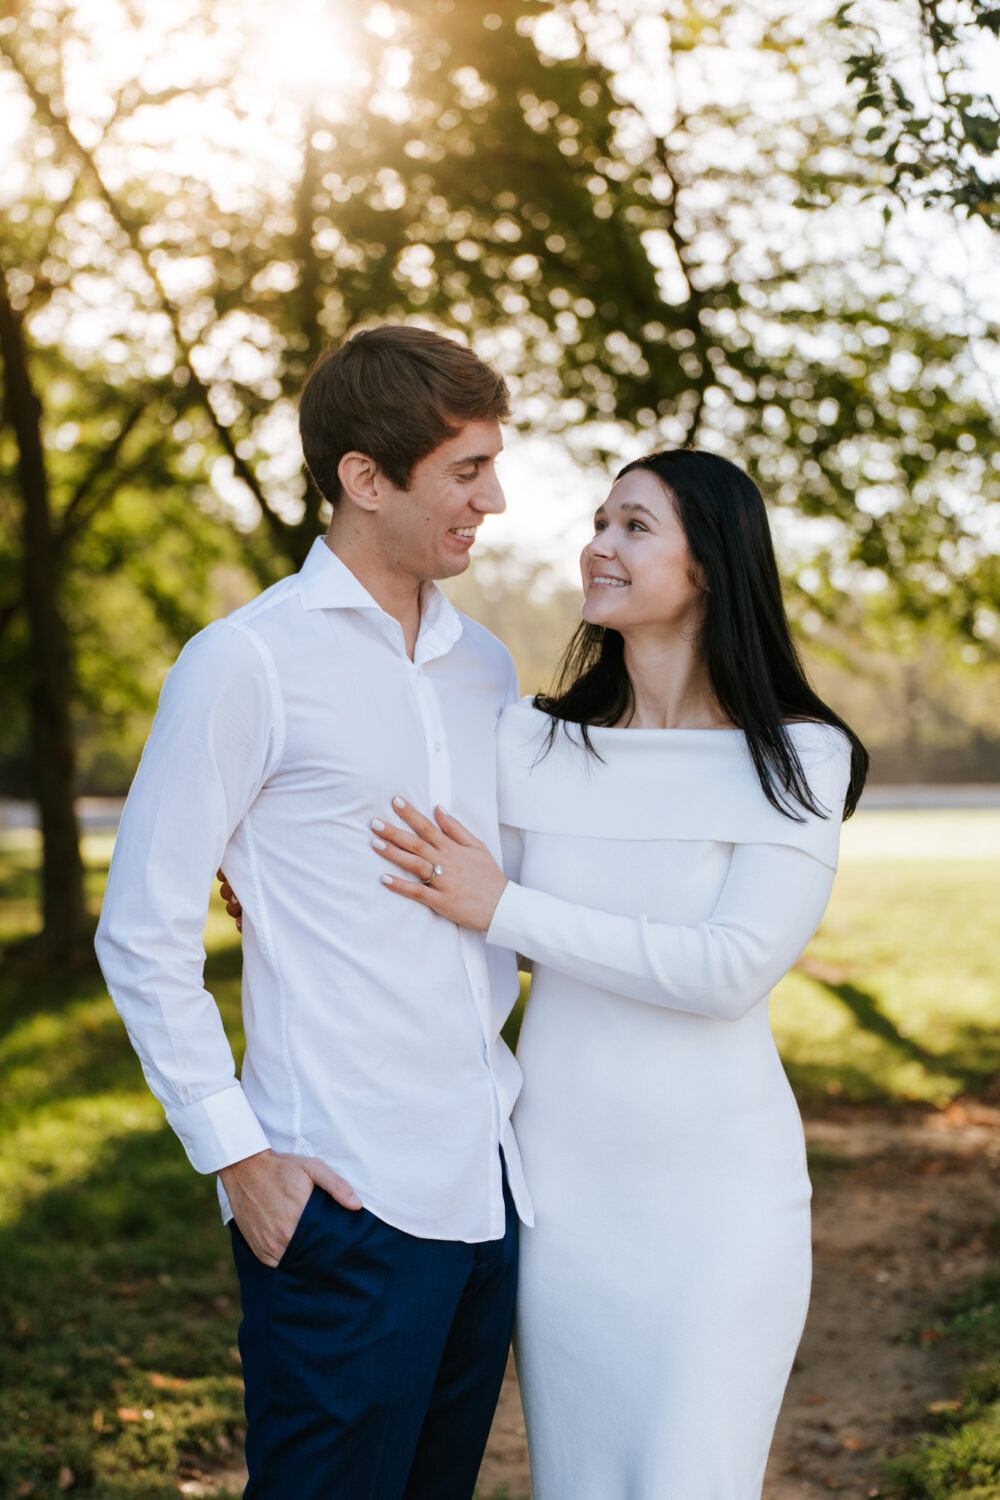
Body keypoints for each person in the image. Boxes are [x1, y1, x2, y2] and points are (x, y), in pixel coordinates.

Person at [369, 449, 869, 1500]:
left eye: (636, 525)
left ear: (713, 563)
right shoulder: (532, 743)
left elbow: (728, 971)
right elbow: (425, 878)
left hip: (722, 1203)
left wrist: (509, 908)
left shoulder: (798, 755)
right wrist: (272, 884)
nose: (599, 542)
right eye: (599, 520)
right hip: (564, 1201)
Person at [94, 324, 535, 1500]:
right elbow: (140, 928)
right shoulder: (246, 664)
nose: (495, 498)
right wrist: (235, 1153)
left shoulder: (483, 666)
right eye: (466, 470)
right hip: (340, 1199)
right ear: (363, 477)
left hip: (487, 1186)